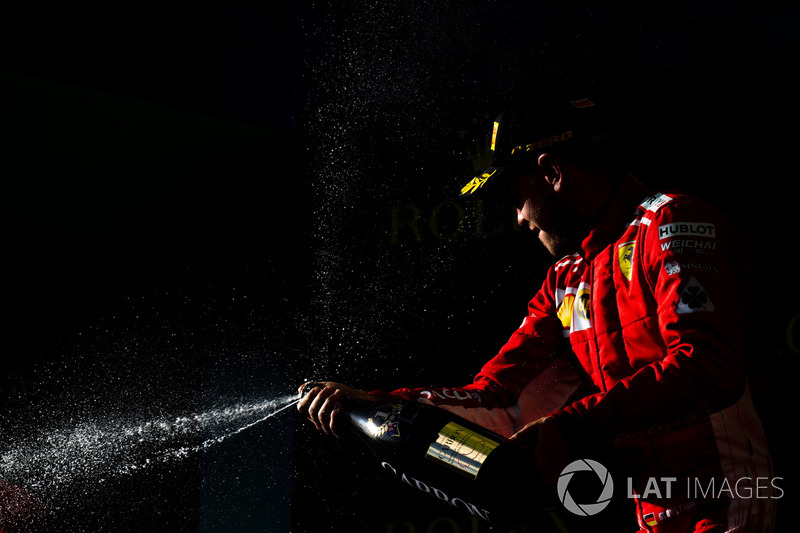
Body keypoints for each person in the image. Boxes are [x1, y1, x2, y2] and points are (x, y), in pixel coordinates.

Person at [298, 94, 777, 532]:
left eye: (515, 198)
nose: (520, 219)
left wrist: (571, 428)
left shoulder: (673, 220)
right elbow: (499, 398)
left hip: (731, 501)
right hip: (649, 512)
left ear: (552, 173)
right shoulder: (566, 279)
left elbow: (708, 368)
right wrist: (378, 403)